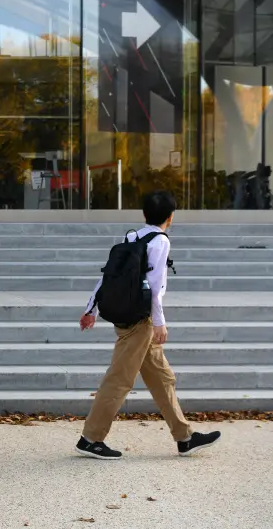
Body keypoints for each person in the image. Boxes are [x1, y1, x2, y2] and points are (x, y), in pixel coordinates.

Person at [75, 191, 221, 460]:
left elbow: (108, 276)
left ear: (144, 215)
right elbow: (155, 287)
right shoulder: (160, 241)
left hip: (129, 316)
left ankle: (185, 437)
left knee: (162, 378)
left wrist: (90, 309)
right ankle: (90, 438)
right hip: (141, 322)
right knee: (118, 380)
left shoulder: (132, 237)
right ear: (170, 217)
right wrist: (159, 323)